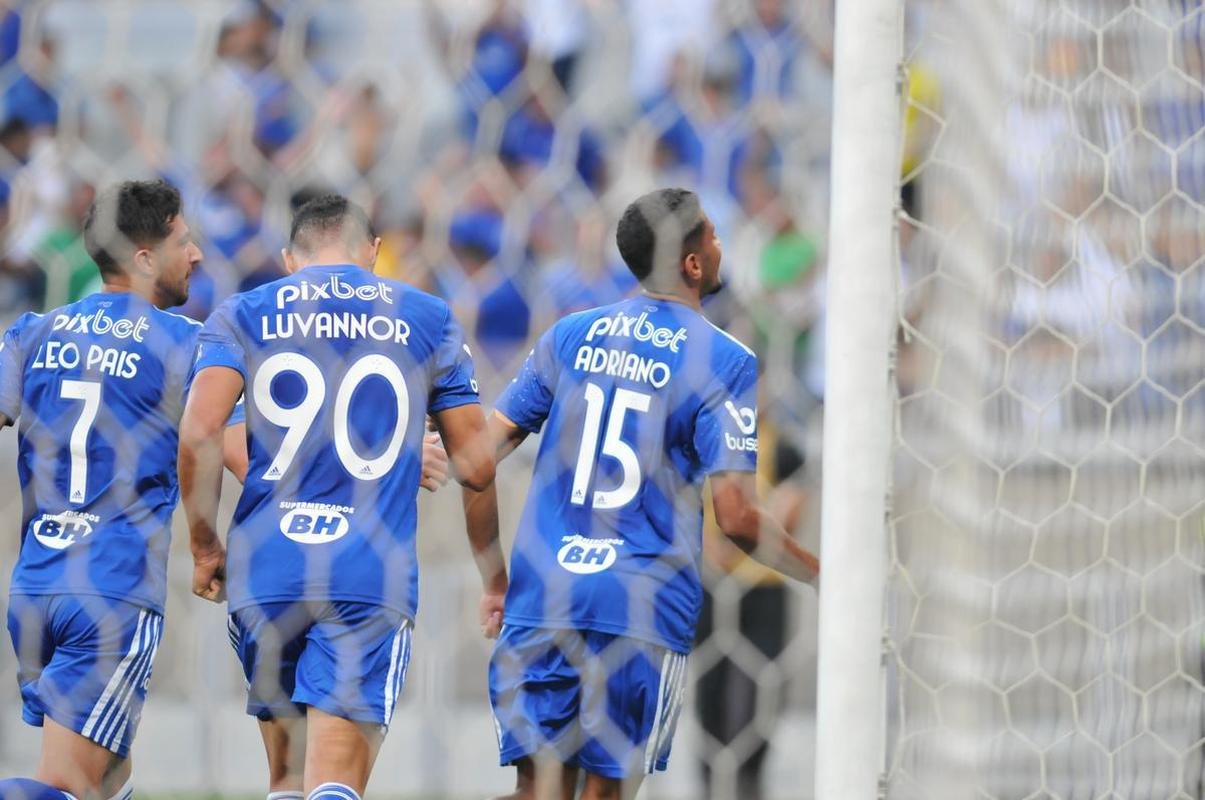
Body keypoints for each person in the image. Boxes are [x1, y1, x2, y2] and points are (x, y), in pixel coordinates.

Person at [482, 187, 820, 799]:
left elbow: (478, 459)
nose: (720, 247)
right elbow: (738, 518)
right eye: (713, 237)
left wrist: (496, 577)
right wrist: (824, 575)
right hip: (636, 605)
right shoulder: (725, 360)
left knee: (537, 791)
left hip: (546, 595)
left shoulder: (569, 335)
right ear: (692, 263)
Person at [177, 194, 506, 800]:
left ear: (287, 260)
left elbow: (201, 431)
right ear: (375, 253)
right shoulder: (426, 316)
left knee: (285, 781)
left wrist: (203, 545)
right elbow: (478, 467)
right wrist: (411, 453)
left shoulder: (245, 311)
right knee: (334, 782)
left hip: (268, 570)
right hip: (364, 573)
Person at [0, 179, 247, 799]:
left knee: (113, 773)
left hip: (37, 586)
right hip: (110, 588)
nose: (195, 255)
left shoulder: (33, 332)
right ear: (143, 257)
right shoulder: (187, 345)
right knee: (67, 783)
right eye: (183, 241)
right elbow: (239, 452)